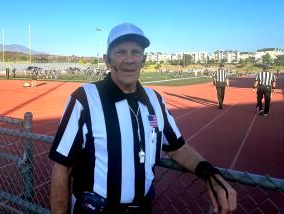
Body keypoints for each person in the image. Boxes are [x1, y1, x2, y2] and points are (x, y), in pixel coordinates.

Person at [49, 23, 237, 214]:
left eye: (136, 52)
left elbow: (177, 147)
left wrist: (209, 174)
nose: (129, 59)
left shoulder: (155, 100)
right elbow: (62, 167)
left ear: (144, 59)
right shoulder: (84, 99)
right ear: (107, 60)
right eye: (121, 52)